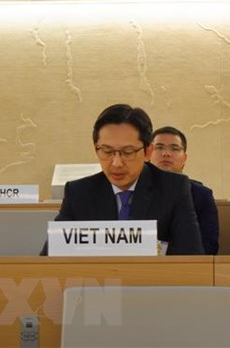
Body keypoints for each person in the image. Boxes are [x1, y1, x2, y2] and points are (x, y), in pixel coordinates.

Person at [40, 104, 204, 255]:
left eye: (128, 152)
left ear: (148, 151)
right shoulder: (79, 193)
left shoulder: (173, 189)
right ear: (96, 149)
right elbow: (50, 259)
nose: (116, 163)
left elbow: (191, 258)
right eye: (107, 151)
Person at [150, 126, 220, 255]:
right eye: (159, 147)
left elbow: (209, 246)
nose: (166, 153)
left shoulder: (201, 195)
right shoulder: (134, 191)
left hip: (189, 265)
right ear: (148, 154)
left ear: (185, 158)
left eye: (174, 149)